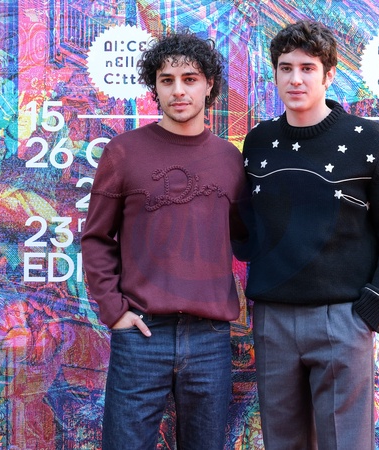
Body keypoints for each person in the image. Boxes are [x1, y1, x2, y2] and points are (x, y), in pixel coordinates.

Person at [238, 20, 379, 449]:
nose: (295, 79)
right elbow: (244, 226)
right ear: (275, 73)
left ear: (329, 75)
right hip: (272, 321)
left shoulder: (369, 140)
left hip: (342, 319)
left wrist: (367, 314)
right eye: (286, 68)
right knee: (282, 443)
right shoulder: (258, 141)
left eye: (307, 68)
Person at [81, 31, 246, 450]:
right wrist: (114, 311)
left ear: (209, 84)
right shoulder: (123, 152)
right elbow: (96, 238)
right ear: (154, 86)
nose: (178, 90)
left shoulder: (230, 159)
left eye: (190, 79)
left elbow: (246, 238)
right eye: (166, 80)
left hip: (210, 337)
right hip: (142, 333)